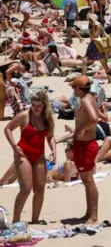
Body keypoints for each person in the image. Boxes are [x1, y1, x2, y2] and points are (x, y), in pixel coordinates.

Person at [4, 91, 55, 223]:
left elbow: (50, 136)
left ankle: (35, 220)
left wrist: (53, 149)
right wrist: (14, 146)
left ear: (44, 105)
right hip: (23, 154)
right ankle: (16, 221)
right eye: (33, 105)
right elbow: (8, 128)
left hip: (39, 155)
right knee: (26, 188)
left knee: (39, 189)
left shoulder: (47, 118)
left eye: (38, 105)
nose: (35, 108)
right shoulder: (25, 115)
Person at [71, 76, 100, 224]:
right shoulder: (90, 98)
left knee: (88, 181)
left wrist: (81, 129)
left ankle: (93, 216)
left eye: (73, 87)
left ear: (77, 88)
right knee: (87, 181)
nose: (73, 90)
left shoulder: (85, 100)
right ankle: (89, 213)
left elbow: (94, 118)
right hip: (83, 143)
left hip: (86, 145)